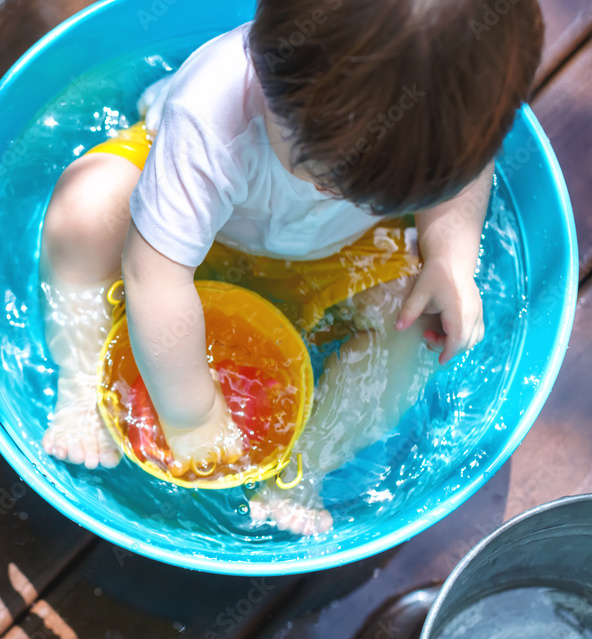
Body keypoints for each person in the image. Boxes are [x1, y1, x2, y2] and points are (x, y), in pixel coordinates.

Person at [38, 0, 543, 535]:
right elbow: (152, 277)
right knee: (85, 208)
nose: (333, 192)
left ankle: (301, 473)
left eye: (379, 194)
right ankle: (81, 386)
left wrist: (450, 256)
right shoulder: (210, 112)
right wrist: (193, 418)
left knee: (420, 323)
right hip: (204, 231)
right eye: (327, 174)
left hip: (336, 253)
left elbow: (469, 171)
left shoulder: (443, 118)